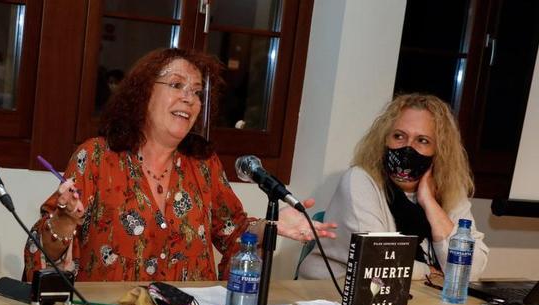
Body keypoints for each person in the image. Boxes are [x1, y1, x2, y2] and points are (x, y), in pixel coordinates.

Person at [23, 48, 335, 282]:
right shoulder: (96, 157)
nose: (190, 98)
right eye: (176, 85)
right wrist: (64, 220)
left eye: (197, 92)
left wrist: (271, 225)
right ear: (143, 93)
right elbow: (38, 256)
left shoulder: (202, 164)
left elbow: (234, 231)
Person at [300, 93, 489, 280]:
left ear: (439, 150)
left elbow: (470, 271)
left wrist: (430, 204)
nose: (407, 147)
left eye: (422, 140)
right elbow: (376, 260)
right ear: (385, 139)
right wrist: (426, 271)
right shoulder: (360, 180)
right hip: (333, 296)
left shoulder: (450, 190)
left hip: (412, 299)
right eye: (399, 136)